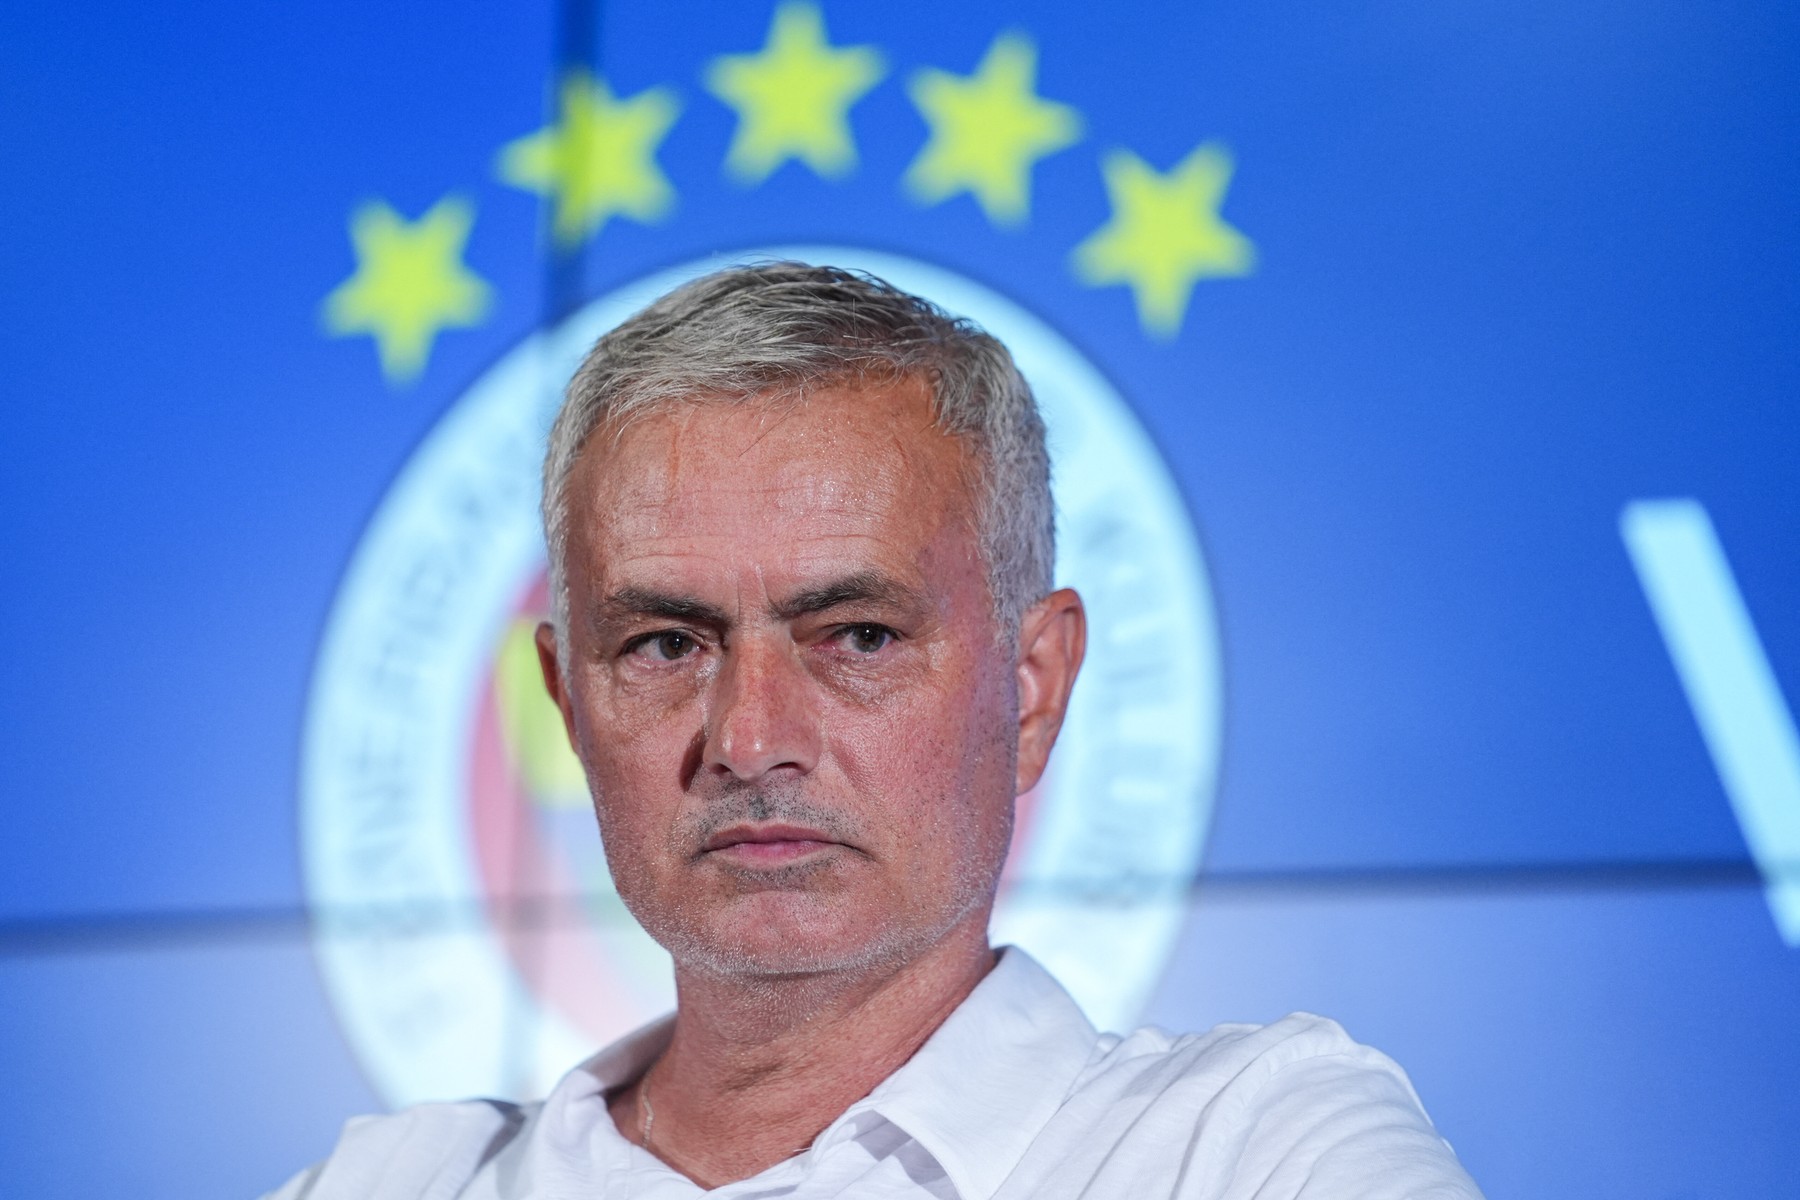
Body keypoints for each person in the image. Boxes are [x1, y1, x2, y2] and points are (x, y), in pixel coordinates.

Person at [265, 263, 1483, 1199]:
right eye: (665, 645)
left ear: (1034, 683)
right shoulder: (395, 1183)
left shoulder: (1251, 1151)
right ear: (569, 703)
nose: (750, 737)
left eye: (856, 636)